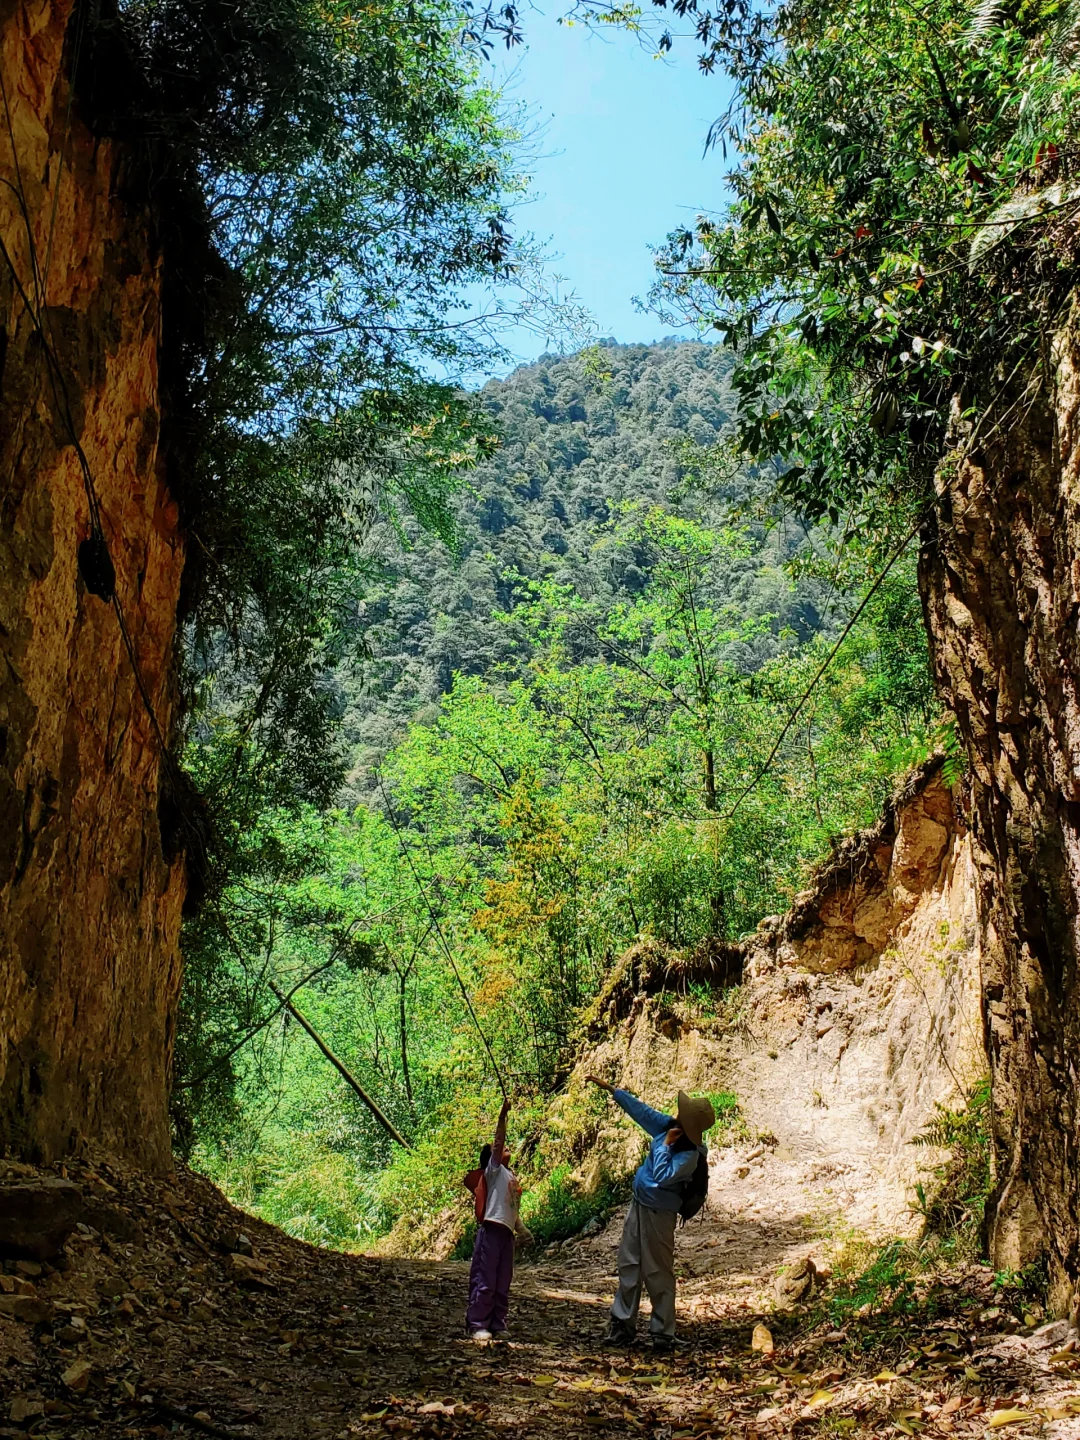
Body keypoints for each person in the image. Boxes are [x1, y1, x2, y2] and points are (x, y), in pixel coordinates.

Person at [585, 1074, 714, 1352]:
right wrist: (613, 1090)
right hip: (640, 1204)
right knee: (629, 1262)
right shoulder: (668, 1126)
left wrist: (664, 1144)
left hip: (660, 1213)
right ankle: (622, 1325)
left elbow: (662, 1174)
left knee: (658, 1271)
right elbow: (642, 1112)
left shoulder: (689, 1155)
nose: (678, 1114)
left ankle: (663, 1333)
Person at [465, 1096, 533, 1340]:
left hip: (507, 1234)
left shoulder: (511, 1178)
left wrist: (522, 1230)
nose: (505, 1148)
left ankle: (497, 1322)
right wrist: (502, 1116)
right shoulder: (493, 1171)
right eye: (501, 1148)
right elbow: (498, 1141)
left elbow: (513, 1209)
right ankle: (478, 1323)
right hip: (492, 1230)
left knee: (503, 1279)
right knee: (486, 1278)